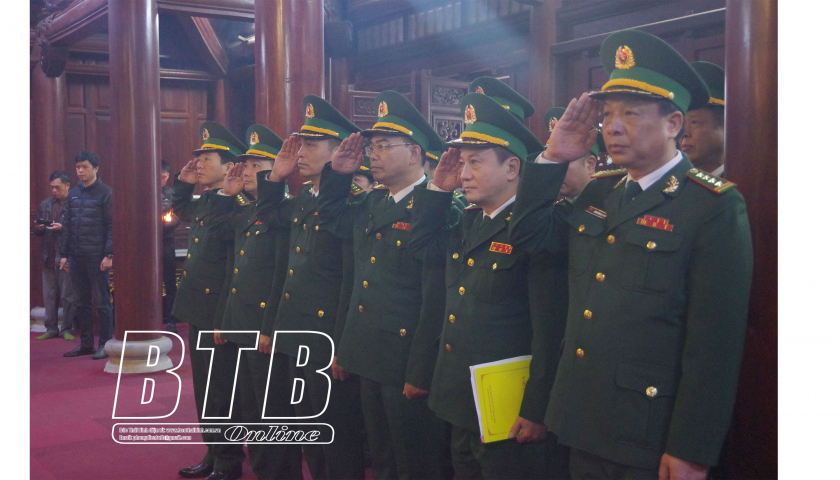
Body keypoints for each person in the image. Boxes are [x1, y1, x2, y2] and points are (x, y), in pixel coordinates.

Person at [508, 30, 753, 479]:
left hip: (648, 430)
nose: (612, 127)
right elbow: (528, 238)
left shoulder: (711, 205)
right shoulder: (601, 191)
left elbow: (714, 344)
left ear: (674, 123)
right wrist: (552, 158)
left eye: (631, 114)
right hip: (582, 416)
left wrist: (690, 448)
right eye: (607, 114)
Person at [407, 92, 567, 479]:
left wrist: (536, 407)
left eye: (474, 162)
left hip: (509, 405)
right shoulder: (470, 220)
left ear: (513, 168)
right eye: (462, 163)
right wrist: (439, 192)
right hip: (463, 397)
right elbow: (422, 249)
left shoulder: (537, 229)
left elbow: (549, 329)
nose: (463, 173)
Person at [317, 90, 456, 480]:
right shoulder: (373, 203)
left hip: (406, 357)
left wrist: (420, 367)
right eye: (371, 147)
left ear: (414, 154)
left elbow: (435, 300)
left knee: (417, 461)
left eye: (383, 146)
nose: (372, 154)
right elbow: (333, 221)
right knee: (382, 456)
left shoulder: (440, 207)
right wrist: (338, 174)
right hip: (368, 352)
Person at [264, 95, 366, 480]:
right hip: (297, 330)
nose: (301, 153)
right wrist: (275, 177)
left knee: (335, 436)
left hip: (326, 334)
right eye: (301, 143)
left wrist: (340, 343)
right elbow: (268, 219)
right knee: (309, 429)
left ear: (339, 151)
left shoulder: (353, 204)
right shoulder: (304, 198)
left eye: (311, 145)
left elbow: (350, 280)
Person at [205, 125, 302, 480]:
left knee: (271, 415)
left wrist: (269, 328)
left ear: (280, 170)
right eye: (245, 163)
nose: (245, 170)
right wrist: (226, 196)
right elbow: (223, 252)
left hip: (265, 332)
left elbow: (281, 275)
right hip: (241, 327)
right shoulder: (246, 212)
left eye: (256, 165)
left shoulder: (283, 213)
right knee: (250, 413)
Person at [171, 122, 247, 480]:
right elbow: (183, 211)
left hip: (220, 313)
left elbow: (234, 267)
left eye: (206, 157)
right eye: (197, 157)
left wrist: (224, 318)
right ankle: (213, 453)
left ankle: (229, 462)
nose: (199, 163)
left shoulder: (238, 204)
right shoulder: (209, 200)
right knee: (204, 390)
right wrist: (183, 184)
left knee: (223, 392)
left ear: (230, 164)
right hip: (198, 312)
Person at [60, 151, 114, 360]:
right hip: (76, 254)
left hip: (97, 255)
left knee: (102, 302)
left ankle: (105, 343)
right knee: (81, 301)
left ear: (96, 169)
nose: (80, 171)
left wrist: (109, 254)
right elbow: (67, 226)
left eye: (84, 167)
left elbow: (111, 225)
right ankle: (85, 344)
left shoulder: (106, 192)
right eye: (77, 167)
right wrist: (64, 254)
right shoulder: (73, 193)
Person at [34, 171, 76, 341]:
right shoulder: (46, 204)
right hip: (48, 255)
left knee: (67, 295)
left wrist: (62, 228)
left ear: (67, 185)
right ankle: (50, 328)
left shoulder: (74, 204)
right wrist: (38, 228)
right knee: (49, 296)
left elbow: (81, 229)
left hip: (66, 256)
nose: (54, 191)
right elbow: (37, 227)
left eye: (57, 187)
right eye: (52, 188)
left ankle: (67, 328)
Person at [543, 107, 601, 201]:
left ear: (590, 164)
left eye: (564, 162)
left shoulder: (609, 205)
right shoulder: (555, 208)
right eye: (554, 162)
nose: (556, 170)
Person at [680, 61, 726, 176]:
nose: (684, 133)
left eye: (694, 122)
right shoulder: (670, 184)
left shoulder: (749, 183)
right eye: (681, 123)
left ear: (725, 128)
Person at [161, 160, 180, 334]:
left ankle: (171, 320)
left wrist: (160, 224)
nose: (161, 179)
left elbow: (176, 218)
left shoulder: (172, 194)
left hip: (166, 242)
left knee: (170, 282)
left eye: (163, 176)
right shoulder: (144, 192)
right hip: (148, 246)